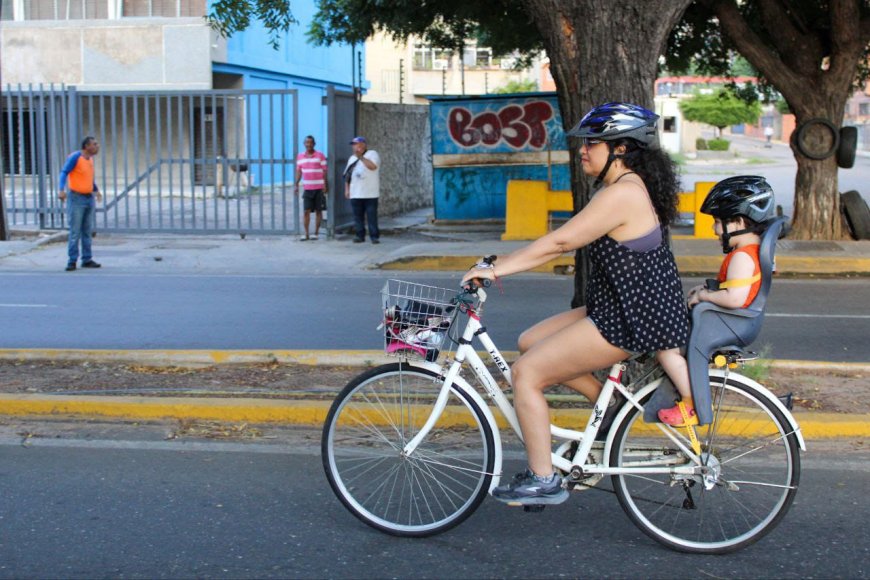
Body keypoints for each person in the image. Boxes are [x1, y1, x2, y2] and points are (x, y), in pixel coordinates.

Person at [461, 102, 689, 505]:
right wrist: (500, 263)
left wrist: (498, 270)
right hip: (623, 305)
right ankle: (613, 403)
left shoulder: (624, 194)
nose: (582, 150)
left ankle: (543, 478)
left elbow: (561, 241)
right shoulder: (623, 188)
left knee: (526, 374)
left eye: (592, 144)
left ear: (620, 149)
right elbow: (565, 240)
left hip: (631, 316)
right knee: (531, 341)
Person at [656, 175, 775, 426]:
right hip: (727, 322)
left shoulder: (743, 257)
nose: (714, 229)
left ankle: (691, 404)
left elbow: (734, 298)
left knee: (667, 350)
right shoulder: (747, 253)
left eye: (719, 222)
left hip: (727, 324)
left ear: (739, 222)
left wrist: (703, 295)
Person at [59, 136, 102, 271]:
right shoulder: (76, 157)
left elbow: (88, 178)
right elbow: (64, 172)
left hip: (88, 197)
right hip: (76, 198)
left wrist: (96, 190)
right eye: (94, 144)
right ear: (87, 146)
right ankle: (72, 260)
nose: (97, 146)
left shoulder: (90, 160)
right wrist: (61, 189)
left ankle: (87, 259)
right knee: (75, 231)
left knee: (87, 230)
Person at [344, 136, 381, 244]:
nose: (355, 147)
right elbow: (347, 176)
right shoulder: (351, 158)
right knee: (357, 216)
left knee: (371, 216)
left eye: (357, 144)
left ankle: (374, 236)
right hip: (356, 192)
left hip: (370, 193)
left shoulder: (373, 154)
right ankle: (359, 235)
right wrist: (346, 189)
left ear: (363, 145)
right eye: (354, 145)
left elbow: (373, 166)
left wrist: (361, 157)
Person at [295, 135, 329, 241]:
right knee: (306, 211)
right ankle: (306, 234)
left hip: (319, 188)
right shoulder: (300, 157)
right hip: (308, 188)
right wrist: (296, 184)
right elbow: (299, 171)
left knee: (319, 211)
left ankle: (316, 233)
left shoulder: (320, 155)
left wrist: (325, 185)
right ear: (304, 144)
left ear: (314, 144)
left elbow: (324, 171)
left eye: (310, 142)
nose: (308, 144)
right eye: (306, 142)